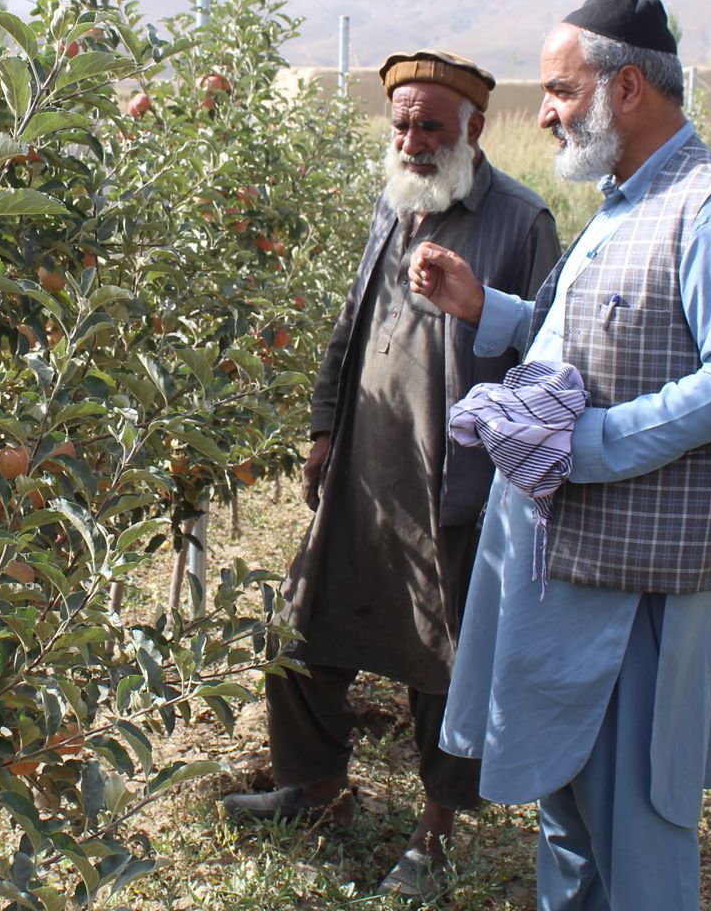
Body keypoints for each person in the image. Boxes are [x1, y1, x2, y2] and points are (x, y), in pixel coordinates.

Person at [409, 0, 711, 908]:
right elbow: (581, 334)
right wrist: (484, 308)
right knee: (569, 816)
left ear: (627, 90)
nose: (545, 114)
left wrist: (593, 443)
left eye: (561, 91)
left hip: (640, 592)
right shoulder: (622, 202)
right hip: (570, 566)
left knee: (636, 834)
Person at [222, 50, 560, 897]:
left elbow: (553, 352)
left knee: (445, 661)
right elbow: (354, 319)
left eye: (431, 126)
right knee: (301, 627)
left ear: (474, 130)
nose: (412, 141)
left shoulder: (521, 222)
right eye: (402, 124)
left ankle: (435, 833)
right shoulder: (395, 201)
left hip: (453, 484)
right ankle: (315, 786)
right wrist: (323, 426)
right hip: (364, 468)